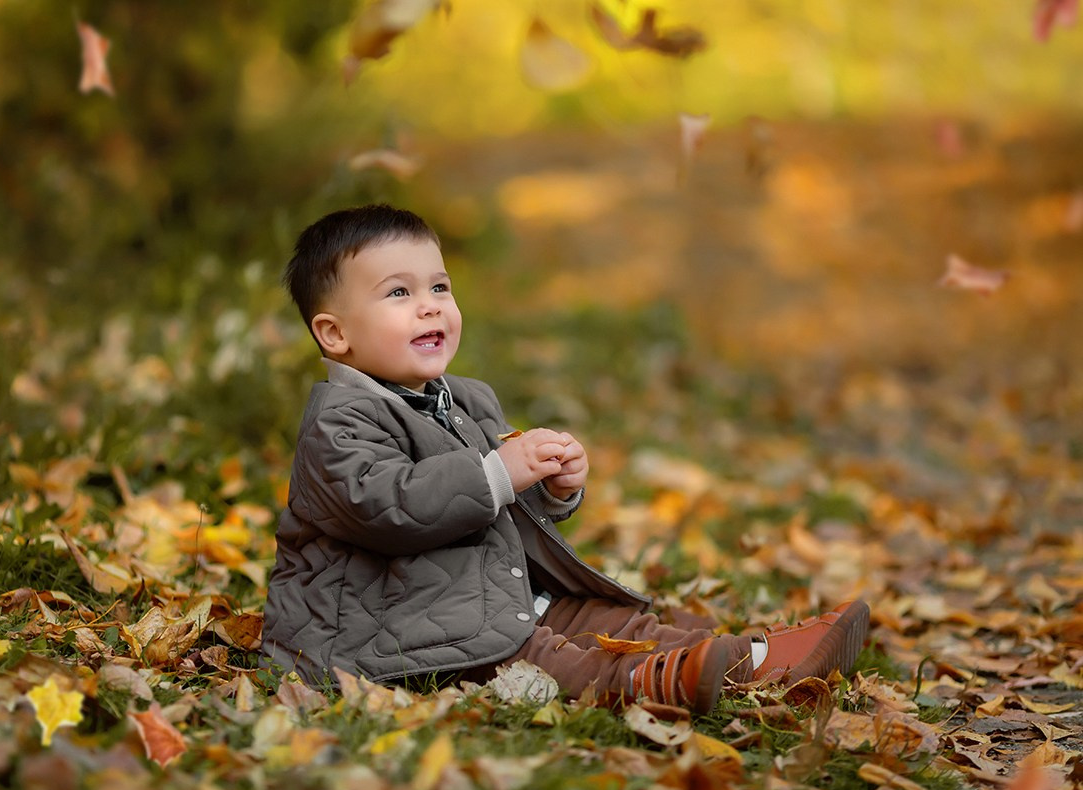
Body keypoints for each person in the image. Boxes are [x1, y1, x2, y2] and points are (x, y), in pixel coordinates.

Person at [259, 203, 870, 714]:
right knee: (542, 658)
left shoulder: (464, 399)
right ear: (335, 335)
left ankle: (758, 659)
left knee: (598, 615)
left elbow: (497, 503)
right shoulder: (339, 424)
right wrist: (499, 471)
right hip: (375, 628)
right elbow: (391, 507)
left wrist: (549, 489)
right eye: (399, 292)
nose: (431, 305)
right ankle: (650, 683)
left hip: (470, 595)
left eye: (439, 287)